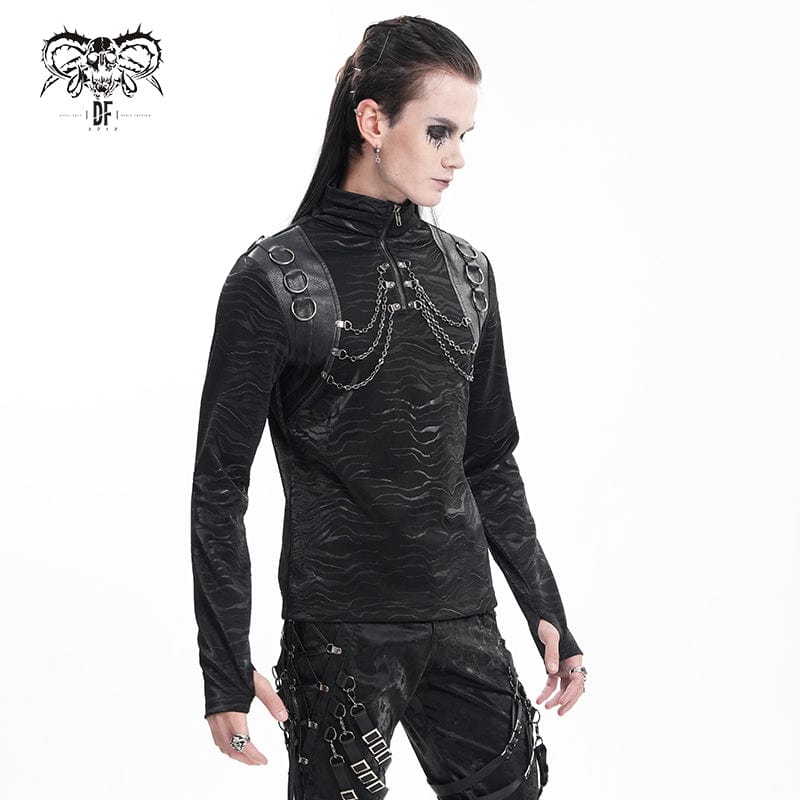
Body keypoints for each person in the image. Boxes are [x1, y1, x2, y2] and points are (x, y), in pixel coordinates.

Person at [190, 14, 588, 800]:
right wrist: (225, 668)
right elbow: (219, 487)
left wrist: (546, 608)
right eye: (439, 131)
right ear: (372, 121)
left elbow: (488, 461)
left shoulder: (469, 273)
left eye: (465, 134)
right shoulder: (272, 281)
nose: (458, 156)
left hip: (465, 621)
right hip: (340, 638)